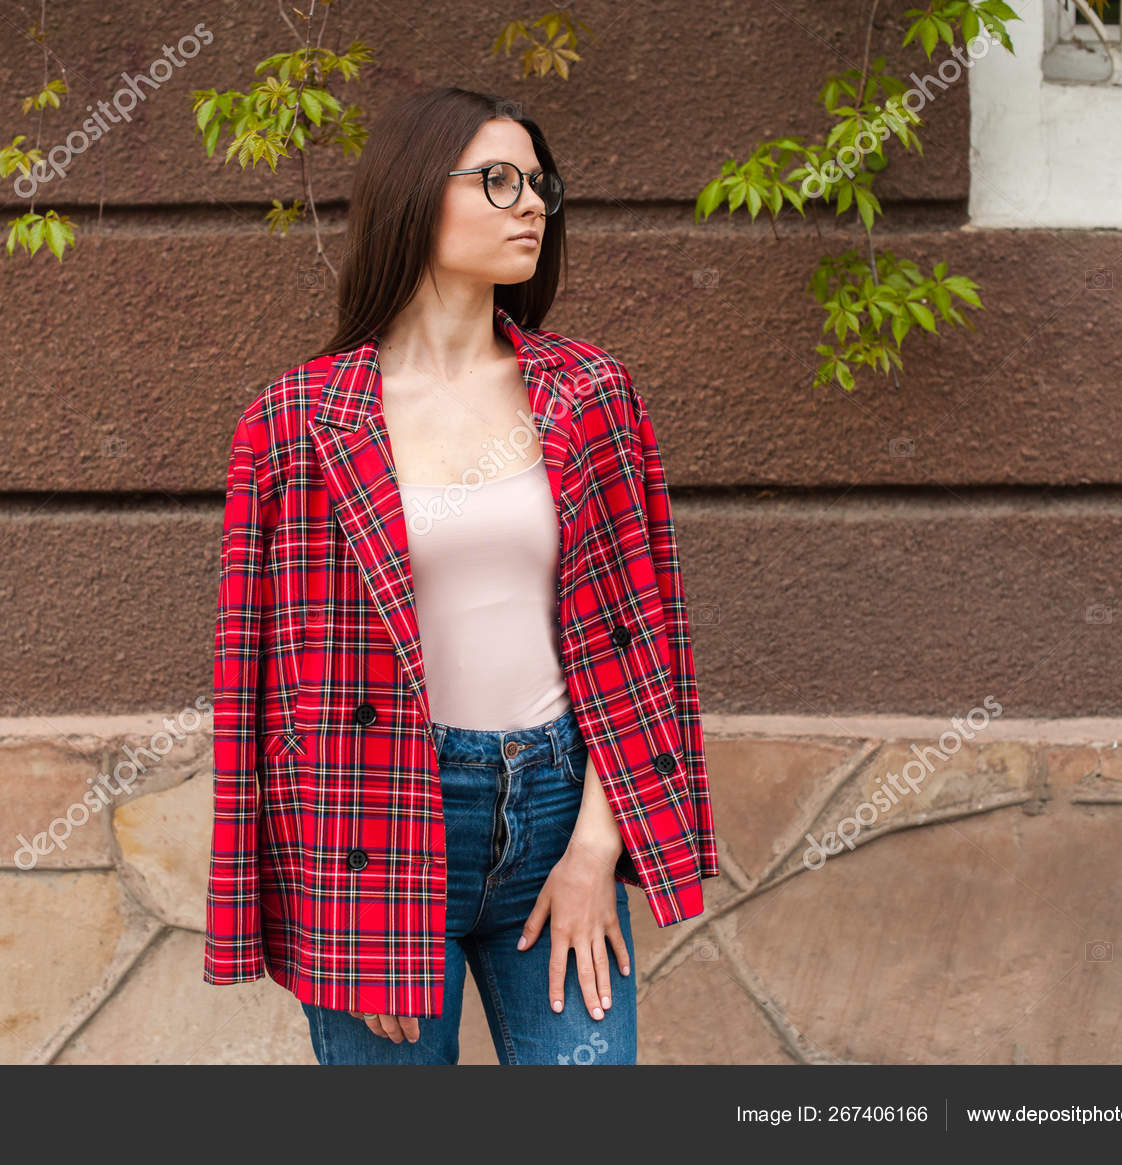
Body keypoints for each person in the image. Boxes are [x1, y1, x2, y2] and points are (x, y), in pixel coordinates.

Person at [204, 86, 718, 1065]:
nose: (529, 204)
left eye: (537, 184)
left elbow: (639, 637)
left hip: (556, 809)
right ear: (412, 196)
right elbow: (267, 692)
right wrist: (348, 924)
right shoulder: (296, 421)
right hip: (380, 820)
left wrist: (594, 849)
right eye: (496, 180)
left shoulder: (590, 395)